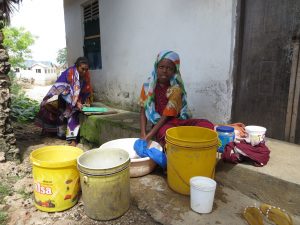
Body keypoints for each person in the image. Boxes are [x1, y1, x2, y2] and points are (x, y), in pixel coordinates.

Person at [139, 50, 245, 147]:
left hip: (177, 122)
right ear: (156, 67)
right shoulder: (147, 87)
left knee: (205, 124)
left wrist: (149, 136)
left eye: (169, 68)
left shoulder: (176, 89)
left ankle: (224, 130)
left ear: (175, 72)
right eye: (161, 67)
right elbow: (142, 111)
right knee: (166, 133)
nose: (165, 71)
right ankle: (191, 139)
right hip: (160, 126)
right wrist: (143, 134)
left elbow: (166, 116)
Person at [35, 57, 93, 146]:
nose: (84, 71)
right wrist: (76, 102)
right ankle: (63, 135)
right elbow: (62, 89)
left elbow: (86, 89)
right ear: (77, 67)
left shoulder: (86, 76)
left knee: (74, 113)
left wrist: (86, 101)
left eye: (86, 69)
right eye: (82, 69)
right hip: (65, 97)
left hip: (76, 99)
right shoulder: (68, 74)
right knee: (64, 114)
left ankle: (72, 139)